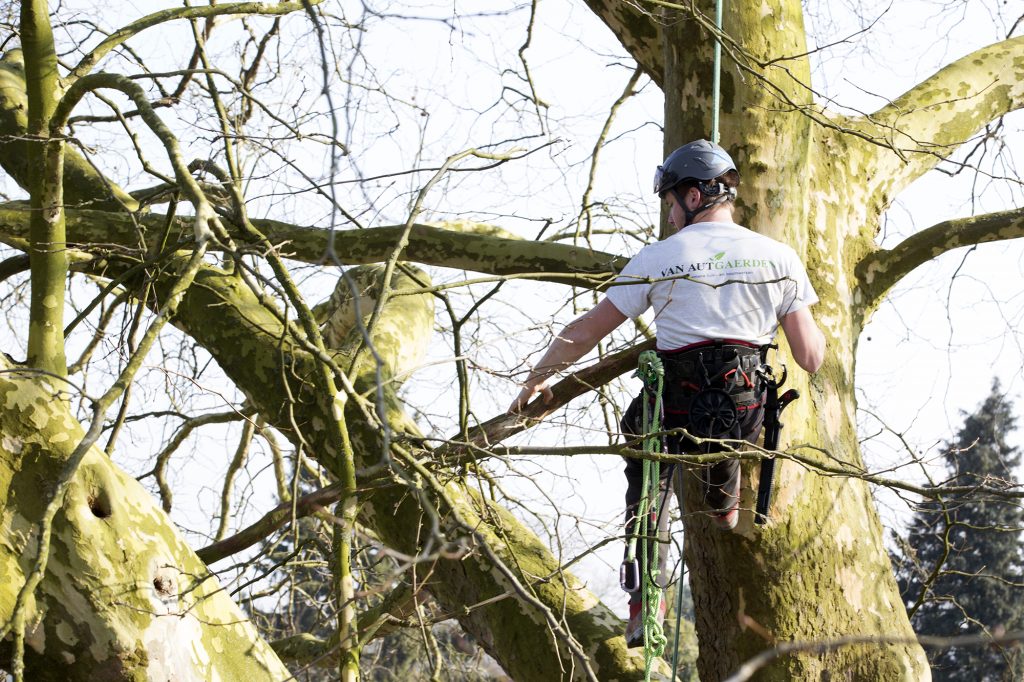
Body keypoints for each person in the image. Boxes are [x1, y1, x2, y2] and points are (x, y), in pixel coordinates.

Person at [507, 139, 825, 648]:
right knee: (726, 432)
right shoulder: (779, 258)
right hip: (740, 409)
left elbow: (590, 327)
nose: (670, 215)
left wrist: (537, 377)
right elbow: (810, 357)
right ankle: (724, 498)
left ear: (695, 196)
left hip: (673, 406)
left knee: (646, 480)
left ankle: (643, 604)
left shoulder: (658, 258)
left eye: (671, 203)